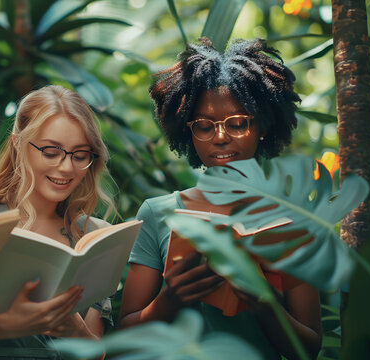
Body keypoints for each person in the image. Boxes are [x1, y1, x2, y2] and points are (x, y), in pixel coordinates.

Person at [118, 38, 322, 359]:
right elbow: (122, 341)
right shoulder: (158, 215)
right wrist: (170, 300)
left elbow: (309, 348)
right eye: (204, 126)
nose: (221, 136)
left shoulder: (293, 222)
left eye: (238, 123)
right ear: (188, 132)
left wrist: (266, 305)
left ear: (263, 126)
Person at [0, 85, 115, 359]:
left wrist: (74, 328)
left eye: (80, 155)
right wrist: (4, 324)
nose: (67, 167)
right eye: (50, 151)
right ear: (17, 144)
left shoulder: (95, 235)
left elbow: (96, 353)